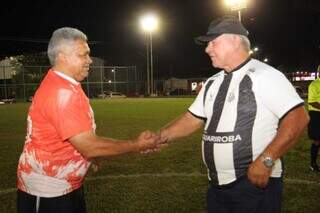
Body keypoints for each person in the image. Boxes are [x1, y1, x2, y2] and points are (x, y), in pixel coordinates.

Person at [157, 16, 309, 213]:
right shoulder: (213, 82)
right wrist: (159, 137)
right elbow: (192, 119)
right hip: (217, 186)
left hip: (253, 184)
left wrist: (266, 161)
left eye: (213, 42)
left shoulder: (265, 76)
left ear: (235, 39)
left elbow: (298, 118)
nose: (207, 49)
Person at [16, 27, 160, 213]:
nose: (89, 60)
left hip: (63, 187)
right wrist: (137, 144)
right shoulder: (62, 93)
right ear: (62, 57)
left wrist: (90, 157)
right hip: (47, 193)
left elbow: (79, 138)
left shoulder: (64, 84)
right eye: (83, 55)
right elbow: (88, 145)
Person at [307, 73, 320, 172]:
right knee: (317, 140)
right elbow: (311, 101)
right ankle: (313, 164)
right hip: (316, 114)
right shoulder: (314, 84)